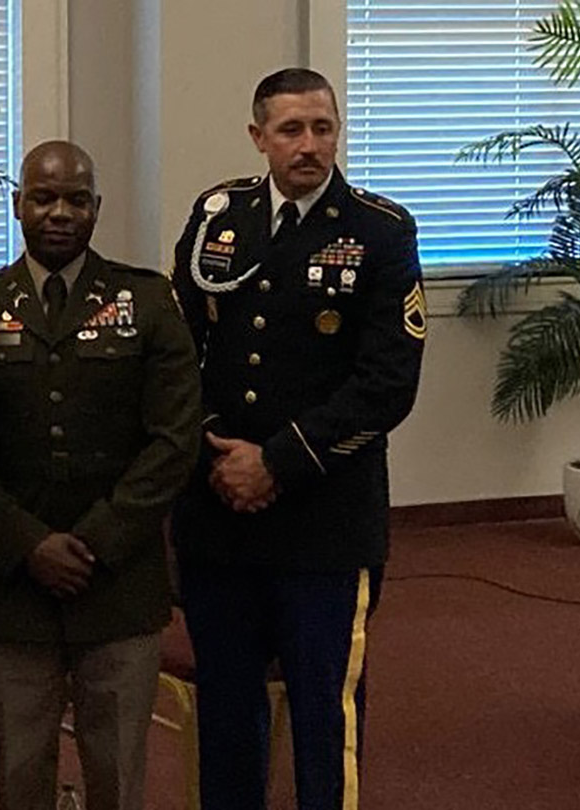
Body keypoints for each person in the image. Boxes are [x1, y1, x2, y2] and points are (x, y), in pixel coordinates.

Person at [168, 67, 426, 810]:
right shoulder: (218, 216)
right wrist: (215, 448)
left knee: (323, 716)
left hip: (325, 521)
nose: (309, 145)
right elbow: (176, 352)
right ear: (259, 138)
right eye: (291, 130)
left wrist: (275, 462)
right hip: (218, 515)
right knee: (226, 711)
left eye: (322, 128)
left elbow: (387, 384)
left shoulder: (379, 230)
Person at [0, 141, 201, 810]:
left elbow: (174, 440)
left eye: (76, 200)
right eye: (44, 197)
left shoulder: (146, 302)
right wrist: (25, 542)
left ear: (97, 209)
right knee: (21, 771)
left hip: (119, 580)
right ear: (17, 205)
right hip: (15, 581)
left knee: (118, 771)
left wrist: (96, 541)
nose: (60, 212)